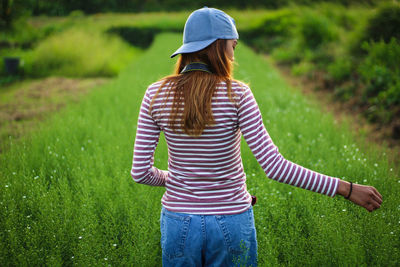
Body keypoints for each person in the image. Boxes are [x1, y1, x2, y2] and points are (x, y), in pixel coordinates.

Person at [131, 7, 383, 267]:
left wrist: (181, 182)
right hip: (231, 221)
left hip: (178, 223)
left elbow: (140, 173)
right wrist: (346, 188)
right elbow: (274, 167)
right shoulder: (237, 95)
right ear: (218, 46)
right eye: (233, 45)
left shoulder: (156, 94)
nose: (233, 53)